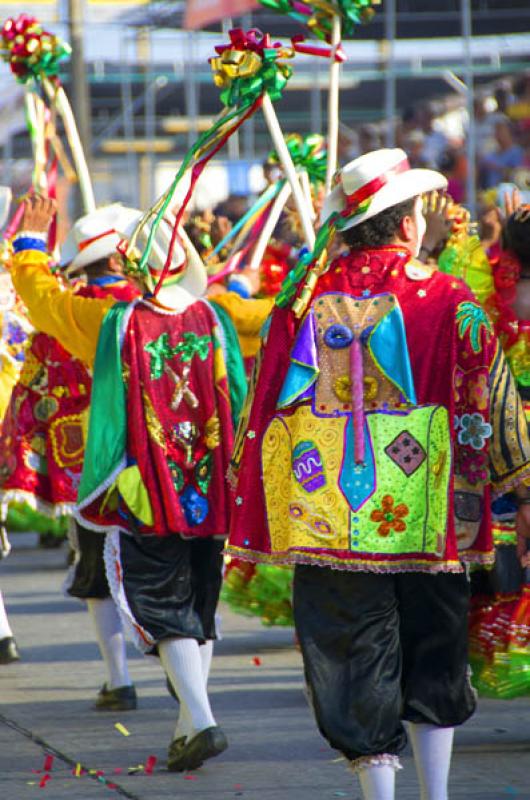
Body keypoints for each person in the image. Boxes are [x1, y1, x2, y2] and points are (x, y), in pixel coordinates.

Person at [226, 148, 530, 800]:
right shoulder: (449, 298)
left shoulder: (302, 301)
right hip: (429, 513)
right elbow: (492, 394)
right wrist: (519, 485)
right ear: (407, 224)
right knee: (433, 650)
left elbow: (261, 404)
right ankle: (438, 794)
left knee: (351, 655)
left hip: (328, 513)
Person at [9, 196, 247, 772]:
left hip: (139, 486)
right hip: (212, 483)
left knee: (159, 602)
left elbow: (42, 304)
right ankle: (192, 717)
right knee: (199, 600)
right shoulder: (216, 315)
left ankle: (198, 716)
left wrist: (29, 250)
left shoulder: (108, 319)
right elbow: (260, 341)